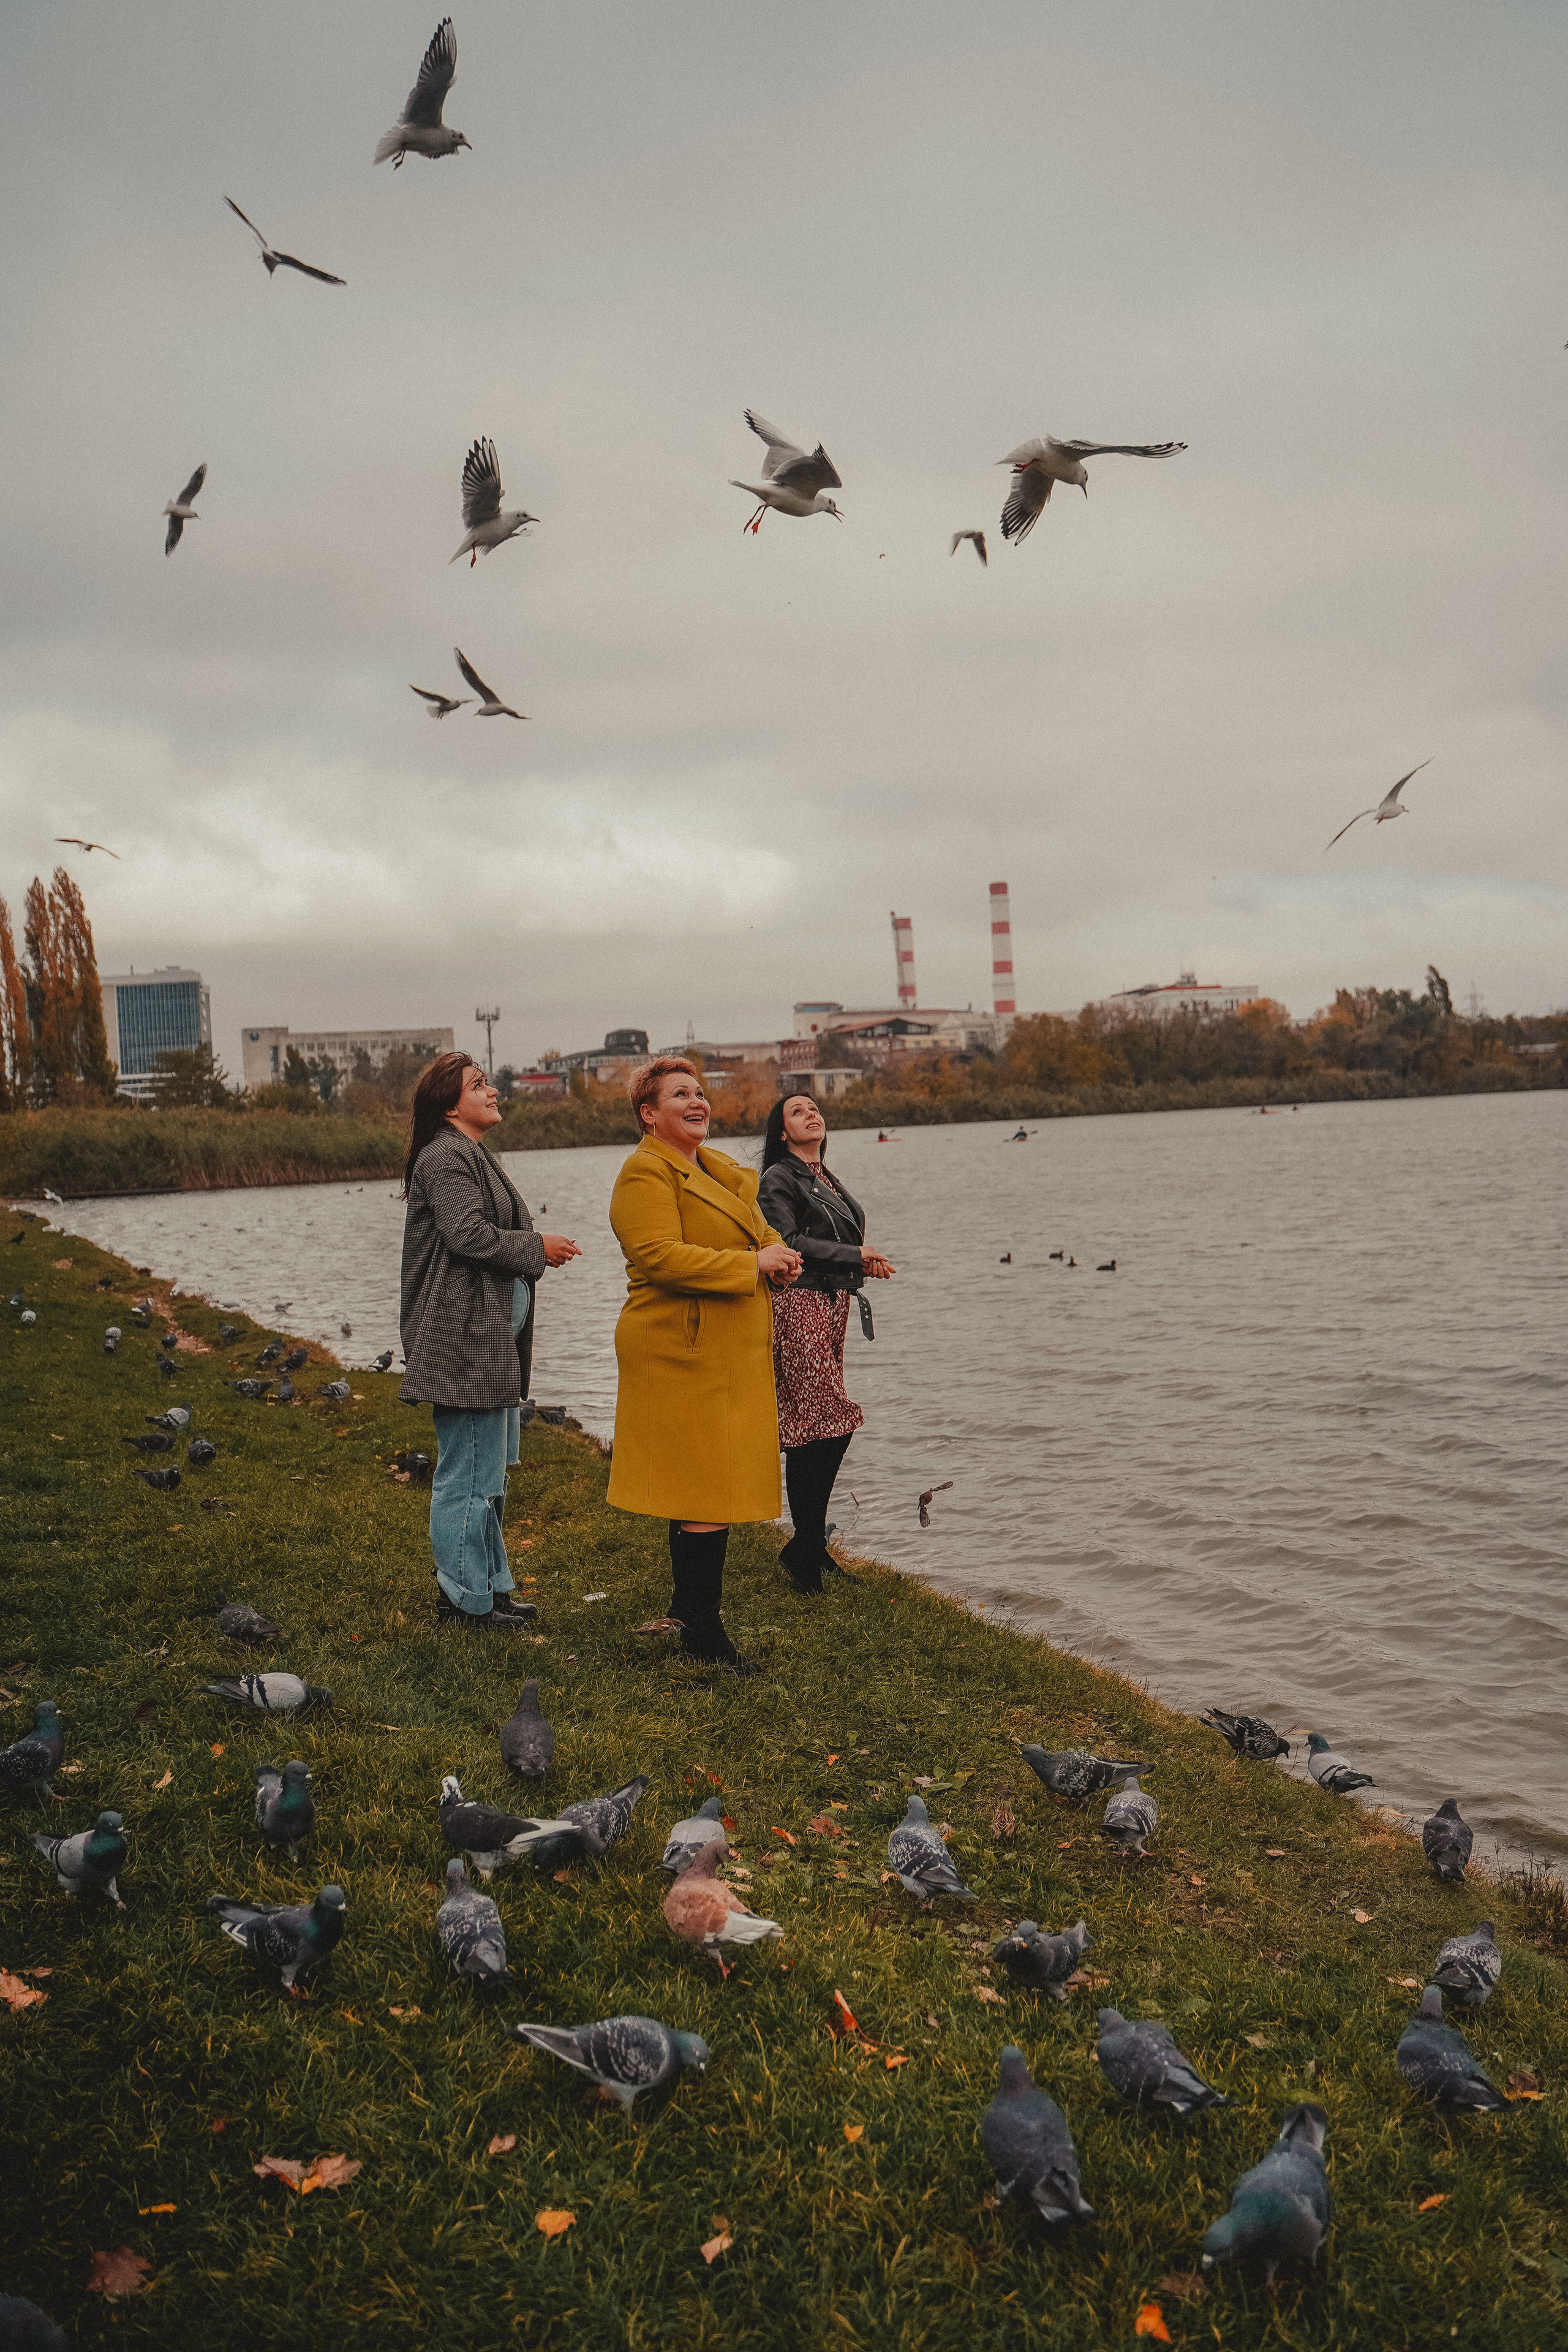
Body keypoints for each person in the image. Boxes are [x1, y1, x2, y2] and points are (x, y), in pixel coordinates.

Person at [607, 1058, 801, 1671]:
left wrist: (780, 1255)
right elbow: (659, 1256)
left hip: (725, 1347)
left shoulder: (720, 1172)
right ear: (649, 1113)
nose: (698, 1102)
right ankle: (704, 1634)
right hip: (678, 1347)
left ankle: (688, 1613)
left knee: (704, 1482)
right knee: (705, 1488)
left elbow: (762, 1233)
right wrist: (752, 1267)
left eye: (699, 1093)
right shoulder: (643, 1174)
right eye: (680, 1095)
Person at [399, 1052, 581, 1632]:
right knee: (468, 1475)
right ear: (450, 1104)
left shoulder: (472, 1153)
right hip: (463, 1339)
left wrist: (533, 1251)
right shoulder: (444, 1156)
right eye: (479, 1085)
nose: (493, 1090)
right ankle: (460, 1602)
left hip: (488, 1339)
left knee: (490, 1475)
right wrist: (538, 1248)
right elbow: (469, 1236)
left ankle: (491, 1590)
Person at [756, 1090, 895, 1594]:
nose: (811, 1113)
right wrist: (855, 1254)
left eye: (814, 1108)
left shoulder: (824, 1178)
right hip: (798, 1307)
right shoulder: (778, 1178)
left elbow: (838, 1242)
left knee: (823, 1424)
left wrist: (861, 1262)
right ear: (782, 1133)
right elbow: (787, 1243)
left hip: (830, 1307)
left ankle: (809, 1547)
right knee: (818, 1425)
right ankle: (806, 1552)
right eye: (798, 1111)